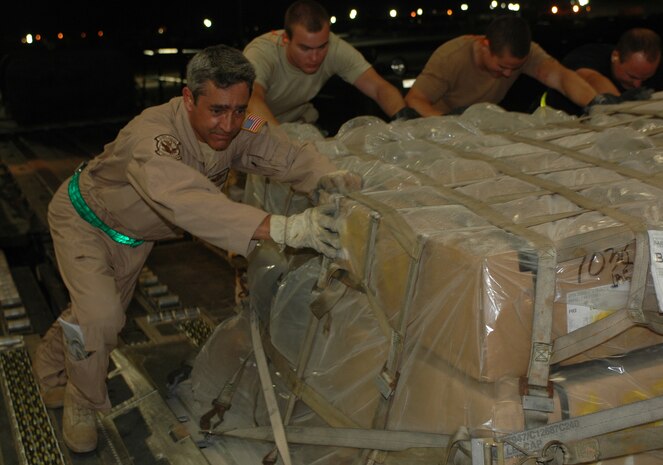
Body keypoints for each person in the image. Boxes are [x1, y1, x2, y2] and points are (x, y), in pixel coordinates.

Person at [32, 44, 361, 454]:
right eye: (218, 110)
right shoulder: (153, 137)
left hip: (135, 239)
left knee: (87, 318)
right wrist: (283, 228)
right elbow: (186, 201)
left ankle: (48, 371)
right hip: (85, 221)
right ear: (189, 98)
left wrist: (327, 177)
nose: (229, 123)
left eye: (239, 109)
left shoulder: (239, 123)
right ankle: (82, 401)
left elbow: (279, 150)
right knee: (99, 317)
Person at [243, 0, 418, 127]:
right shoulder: (261, 52)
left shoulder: (334, 47)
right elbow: (250, 101)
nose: (315, 57)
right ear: (286, 39)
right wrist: (279, 142)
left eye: (321, 47)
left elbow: (379, 88)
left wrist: (405, 121)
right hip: (252, 124)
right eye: (305, 48)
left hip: (299, 125)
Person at [404, 15, 603, 117]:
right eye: (502, 66)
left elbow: (561, 77)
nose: (508, 74)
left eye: (515, 68)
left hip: (479, 128)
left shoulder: (522, 56)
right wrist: (449, 125)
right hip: (439, 131)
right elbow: (415, 99)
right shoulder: (450, 58)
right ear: (485, 46)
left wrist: (596, 104)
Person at [543, 28, 662, 115]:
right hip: (552, 122)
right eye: (631, 76)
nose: (637, 84)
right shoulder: (587, 56)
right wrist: (620, 106)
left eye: (645, 78)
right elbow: (589, 77)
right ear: (615, 57)